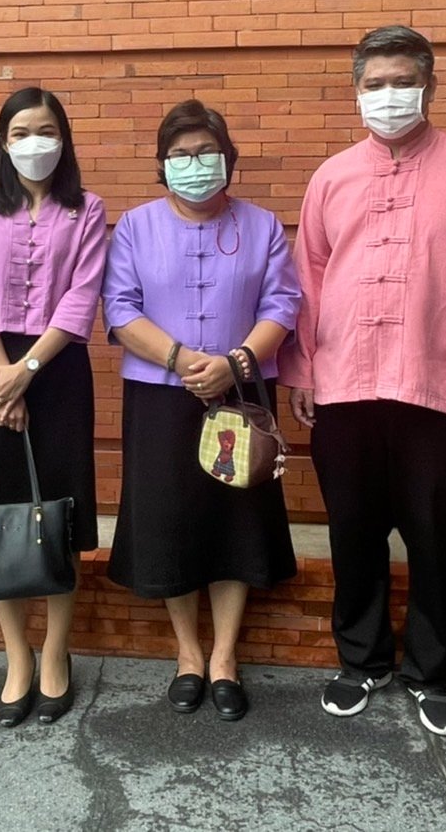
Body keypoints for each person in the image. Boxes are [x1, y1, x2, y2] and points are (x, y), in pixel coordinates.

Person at [280, 24, 446, 738]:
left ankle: (432, 672)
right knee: (352, 532)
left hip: (441, 390)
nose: (388, 96)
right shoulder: (331, 177)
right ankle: (361, 661)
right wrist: (302, 368)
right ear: (355, 91)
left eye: (403, 82)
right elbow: (308, 280)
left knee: (436, 536)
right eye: (375, 84)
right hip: (345, 388)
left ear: (430, 86)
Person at [102, 99, 301, 723]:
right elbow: (120, 308)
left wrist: (235, 363)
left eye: (205, 152)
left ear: (228, 158)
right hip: (162, 395)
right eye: (180, 155)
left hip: (242, 393)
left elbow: (282, 305)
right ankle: (188, 653)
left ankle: (224, 657)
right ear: (162, 164)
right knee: (171, 518)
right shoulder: (135, 227)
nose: (194, 164)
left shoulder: (263, 226)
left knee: (235, 517)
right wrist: (184, 359)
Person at [0, 86, 107, 728]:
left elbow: (81, 298)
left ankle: (55, 652)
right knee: (2, 513)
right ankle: (16, 655)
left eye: (46, 131)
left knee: (58, 513)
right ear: (3, 141)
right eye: (20, 132)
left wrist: (27, 373)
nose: (33, 142)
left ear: (63, 139)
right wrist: (2, 380)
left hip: (57, 371)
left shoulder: (88, 209)